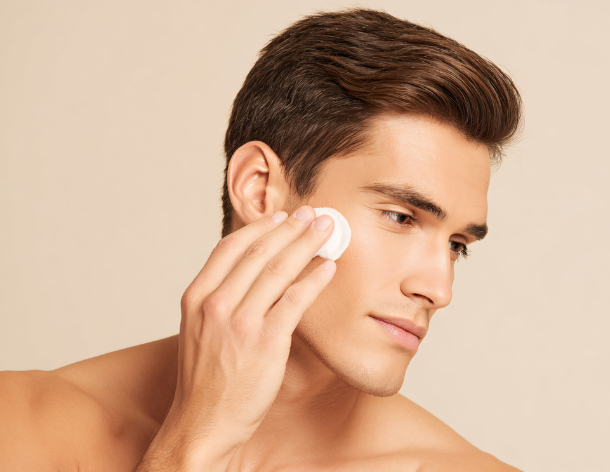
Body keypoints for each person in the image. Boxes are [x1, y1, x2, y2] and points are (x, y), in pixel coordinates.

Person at [0, 7, 523, 471]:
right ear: (260, 189)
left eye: (458, 245)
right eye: (400, 217)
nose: (439, 288)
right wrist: (194, 445)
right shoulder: (19, 427)